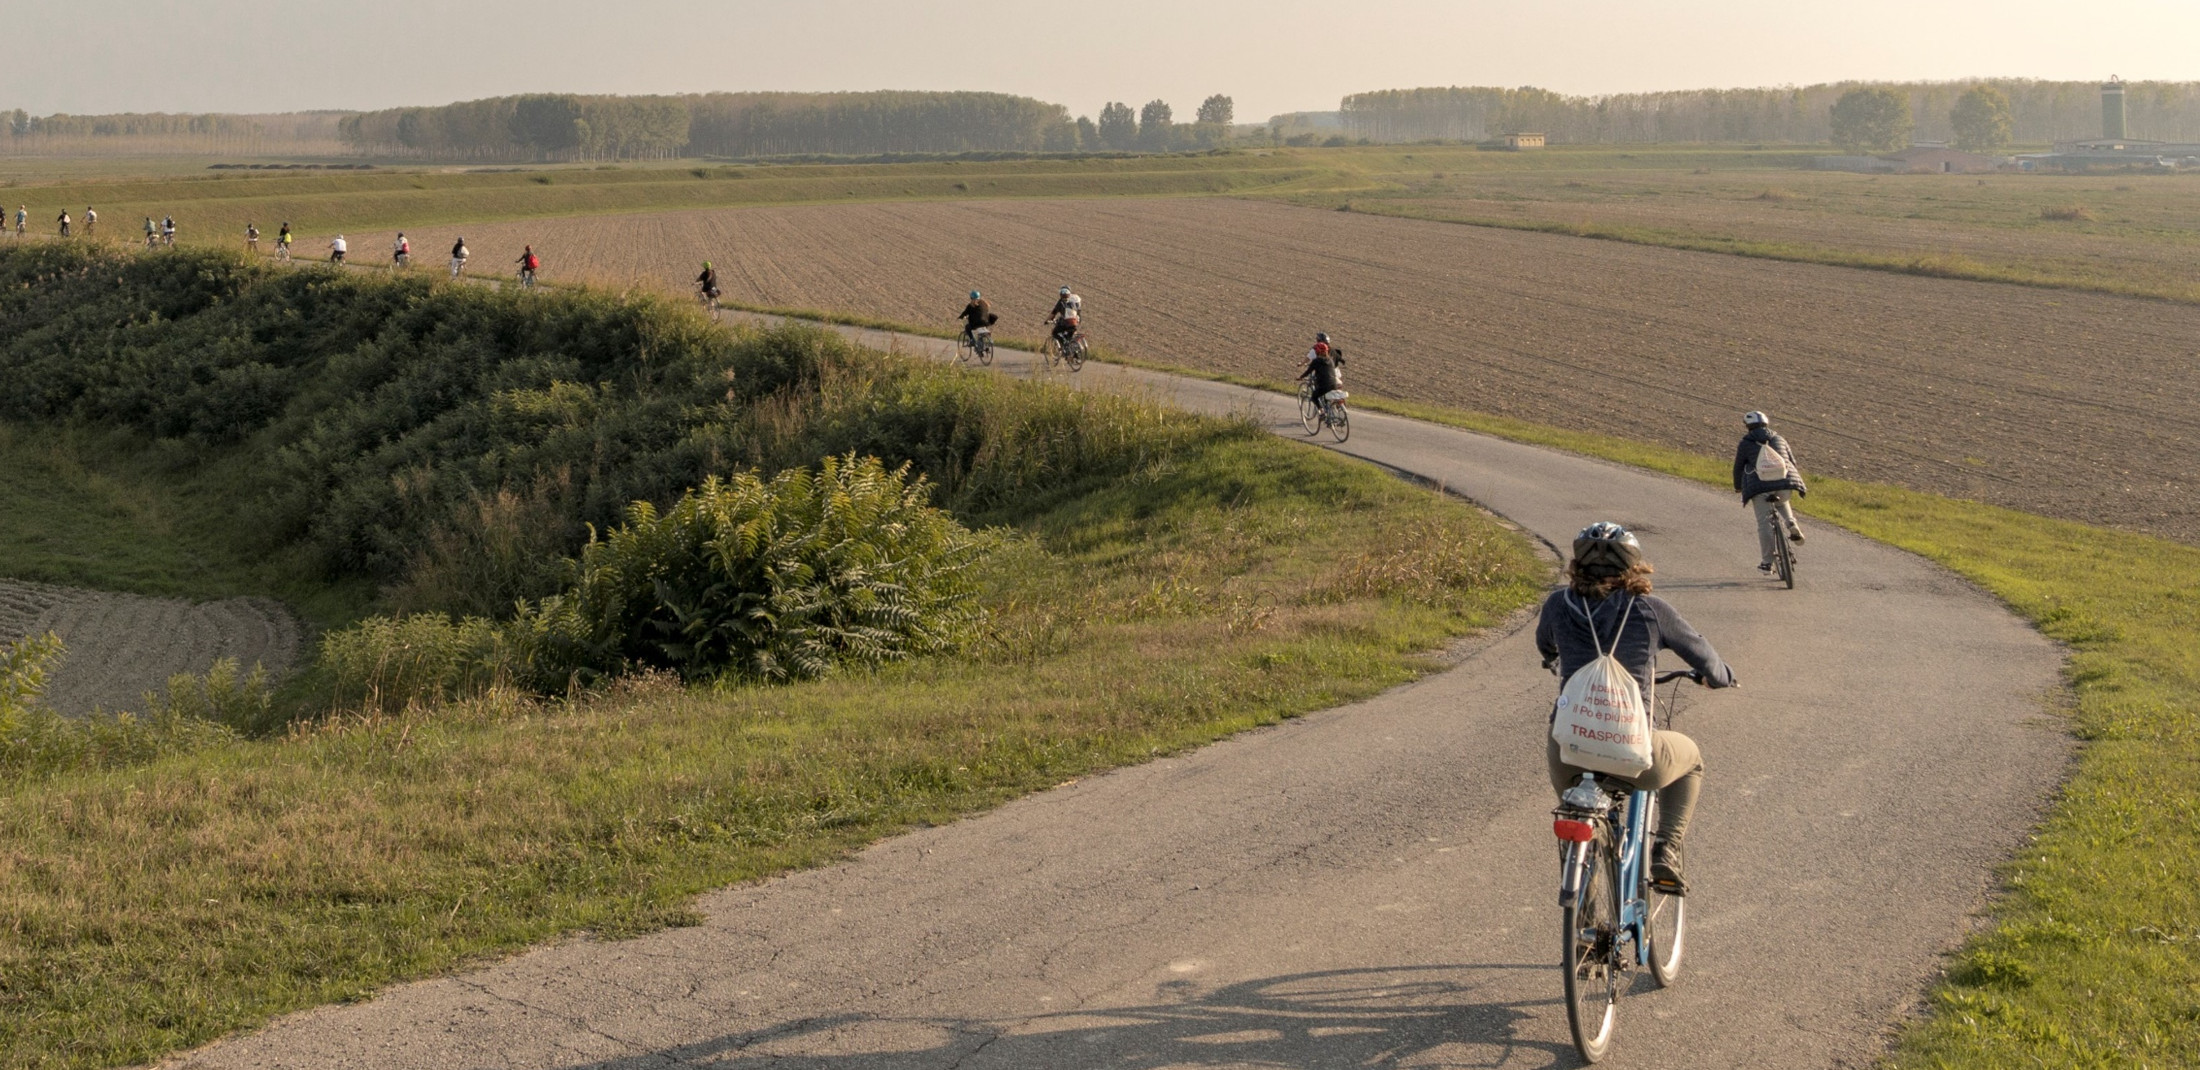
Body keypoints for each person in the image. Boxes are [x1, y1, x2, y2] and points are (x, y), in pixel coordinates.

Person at [1538, 522, 1737, 895]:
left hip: (1568, 752)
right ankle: (1667, 848)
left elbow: (1546, 649)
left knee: (1574, 805)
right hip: (1636, 758)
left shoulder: (1556, 606)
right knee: (1691, 760)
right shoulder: (1650, 611)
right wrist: (1720, 676)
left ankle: (1582, 902)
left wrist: (1557, 657)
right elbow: (1708, 662)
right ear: (1633, 566)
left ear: (1577, 565)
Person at [1732, 411, 1806, 575]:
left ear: (1748, 426)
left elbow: (1738, 467)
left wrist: (1738, 486)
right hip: (1785, 482)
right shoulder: (1779, 439)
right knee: (1782, 501)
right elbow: (1792, 462)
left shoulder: (1746, 443)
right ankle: (1791, 522)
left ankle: (1767, 562)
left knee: (1764, 523)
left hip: (1760, 486)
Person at [1298, 341, 1343, 417]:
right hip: (1334, 384)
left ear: (1317, 352)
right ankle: (1330, 415)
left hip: (1324, 386)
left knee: (1314, 396)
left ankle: (1321, 411)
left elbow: (1308, 372)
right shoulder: (1331, 360)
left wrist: (1300, 377)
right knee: (1326, 398)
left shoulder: (1316, 361)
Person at [1041, 285, 1082, 350]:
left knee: (1055, 332)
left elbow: (1053, 313)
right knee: (1070, 334)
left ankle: (1063, 348)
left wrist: (1046, 321)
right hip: (1076, 321)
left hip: (1067, 322)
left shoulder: (1060, 302)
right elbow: (1078, 311)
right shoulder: (1074, 300)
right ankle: (1073, 352)